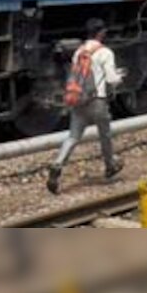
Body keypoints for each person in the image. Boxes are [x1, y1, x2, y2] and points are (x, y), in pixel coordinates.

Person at [47, 20, 124, 194]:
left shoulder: (78, 52)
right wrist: (120, 77)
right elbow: (111, 79)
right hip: (97, 100)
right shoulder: (105, 52)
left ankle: (57, 163)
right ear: (101, 33)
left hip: (79, 100)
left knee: (73, 136)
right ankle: (110, 165)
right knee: (105, 135)